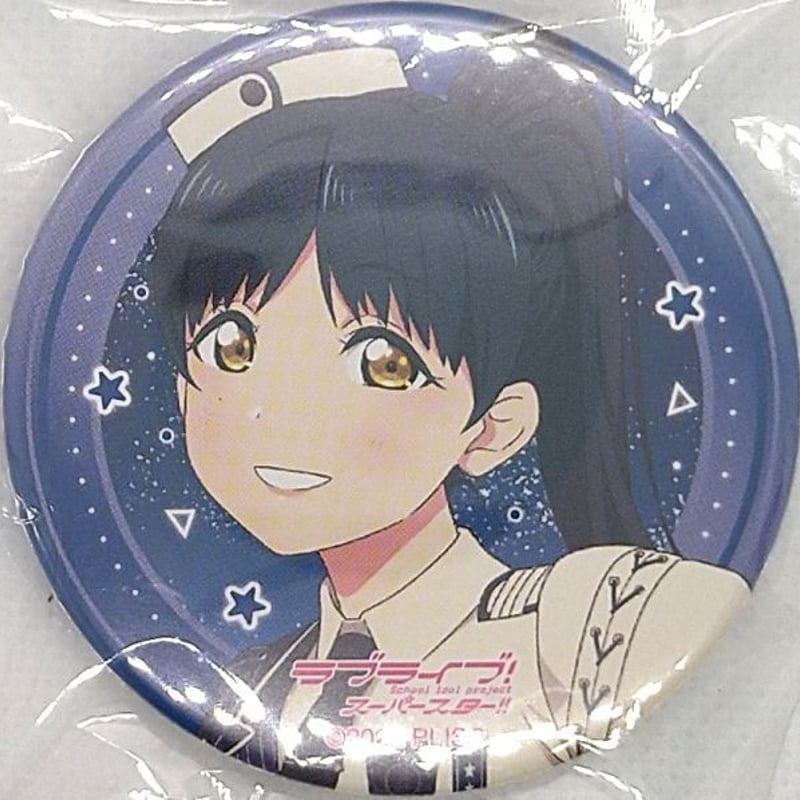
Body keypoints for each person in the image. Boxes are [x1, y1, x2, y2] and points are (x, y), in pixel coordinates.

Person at [149, 41, 748, 794]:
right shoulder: (251, 684)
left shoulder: (589, 621)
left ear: (495, 427)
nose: (279, 410)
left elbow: (719, 618)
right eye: (231, 345)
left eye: (382, 362)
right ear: (183, 388)